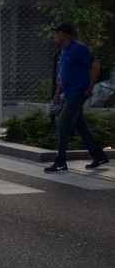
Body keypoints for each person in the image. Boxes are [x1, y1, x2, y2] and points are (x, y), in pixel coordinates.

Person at [44, 23, 109, 173]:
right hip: (69, 93)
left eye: (57, 33)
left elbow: (96, 65)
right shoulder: (65, 51)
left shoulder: (78, 48)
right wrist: (57, 93)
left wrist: (89, 88)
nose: (55, 36)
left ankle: (60, 162)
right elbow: (64, 76)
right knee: (80, 126)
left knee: (63, 126)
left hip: (77, 93)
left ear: (64, 35)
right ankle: (99, 155)